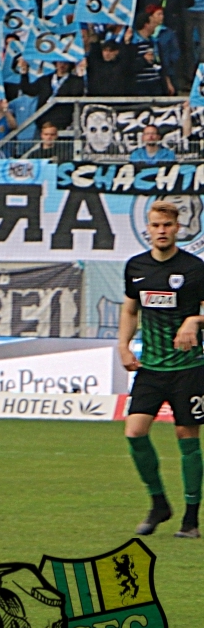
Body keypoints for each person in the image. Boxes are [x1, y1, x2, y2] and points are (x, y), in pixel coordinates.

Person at [118, 200, 204, 539]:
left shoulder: (195, 269)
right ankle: (158, 504)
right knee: (134, 432)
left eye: (167, 225)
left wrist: (194, 321)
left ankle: (191, 518)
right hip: (151, 369)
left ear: (177, 228)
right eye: (155, 225)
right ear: (148, 229)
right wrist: (124, 345)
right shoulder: (136, 267)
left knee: (187, 439)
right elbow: (129, 310)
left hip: (188, 368)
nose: (161, 231)